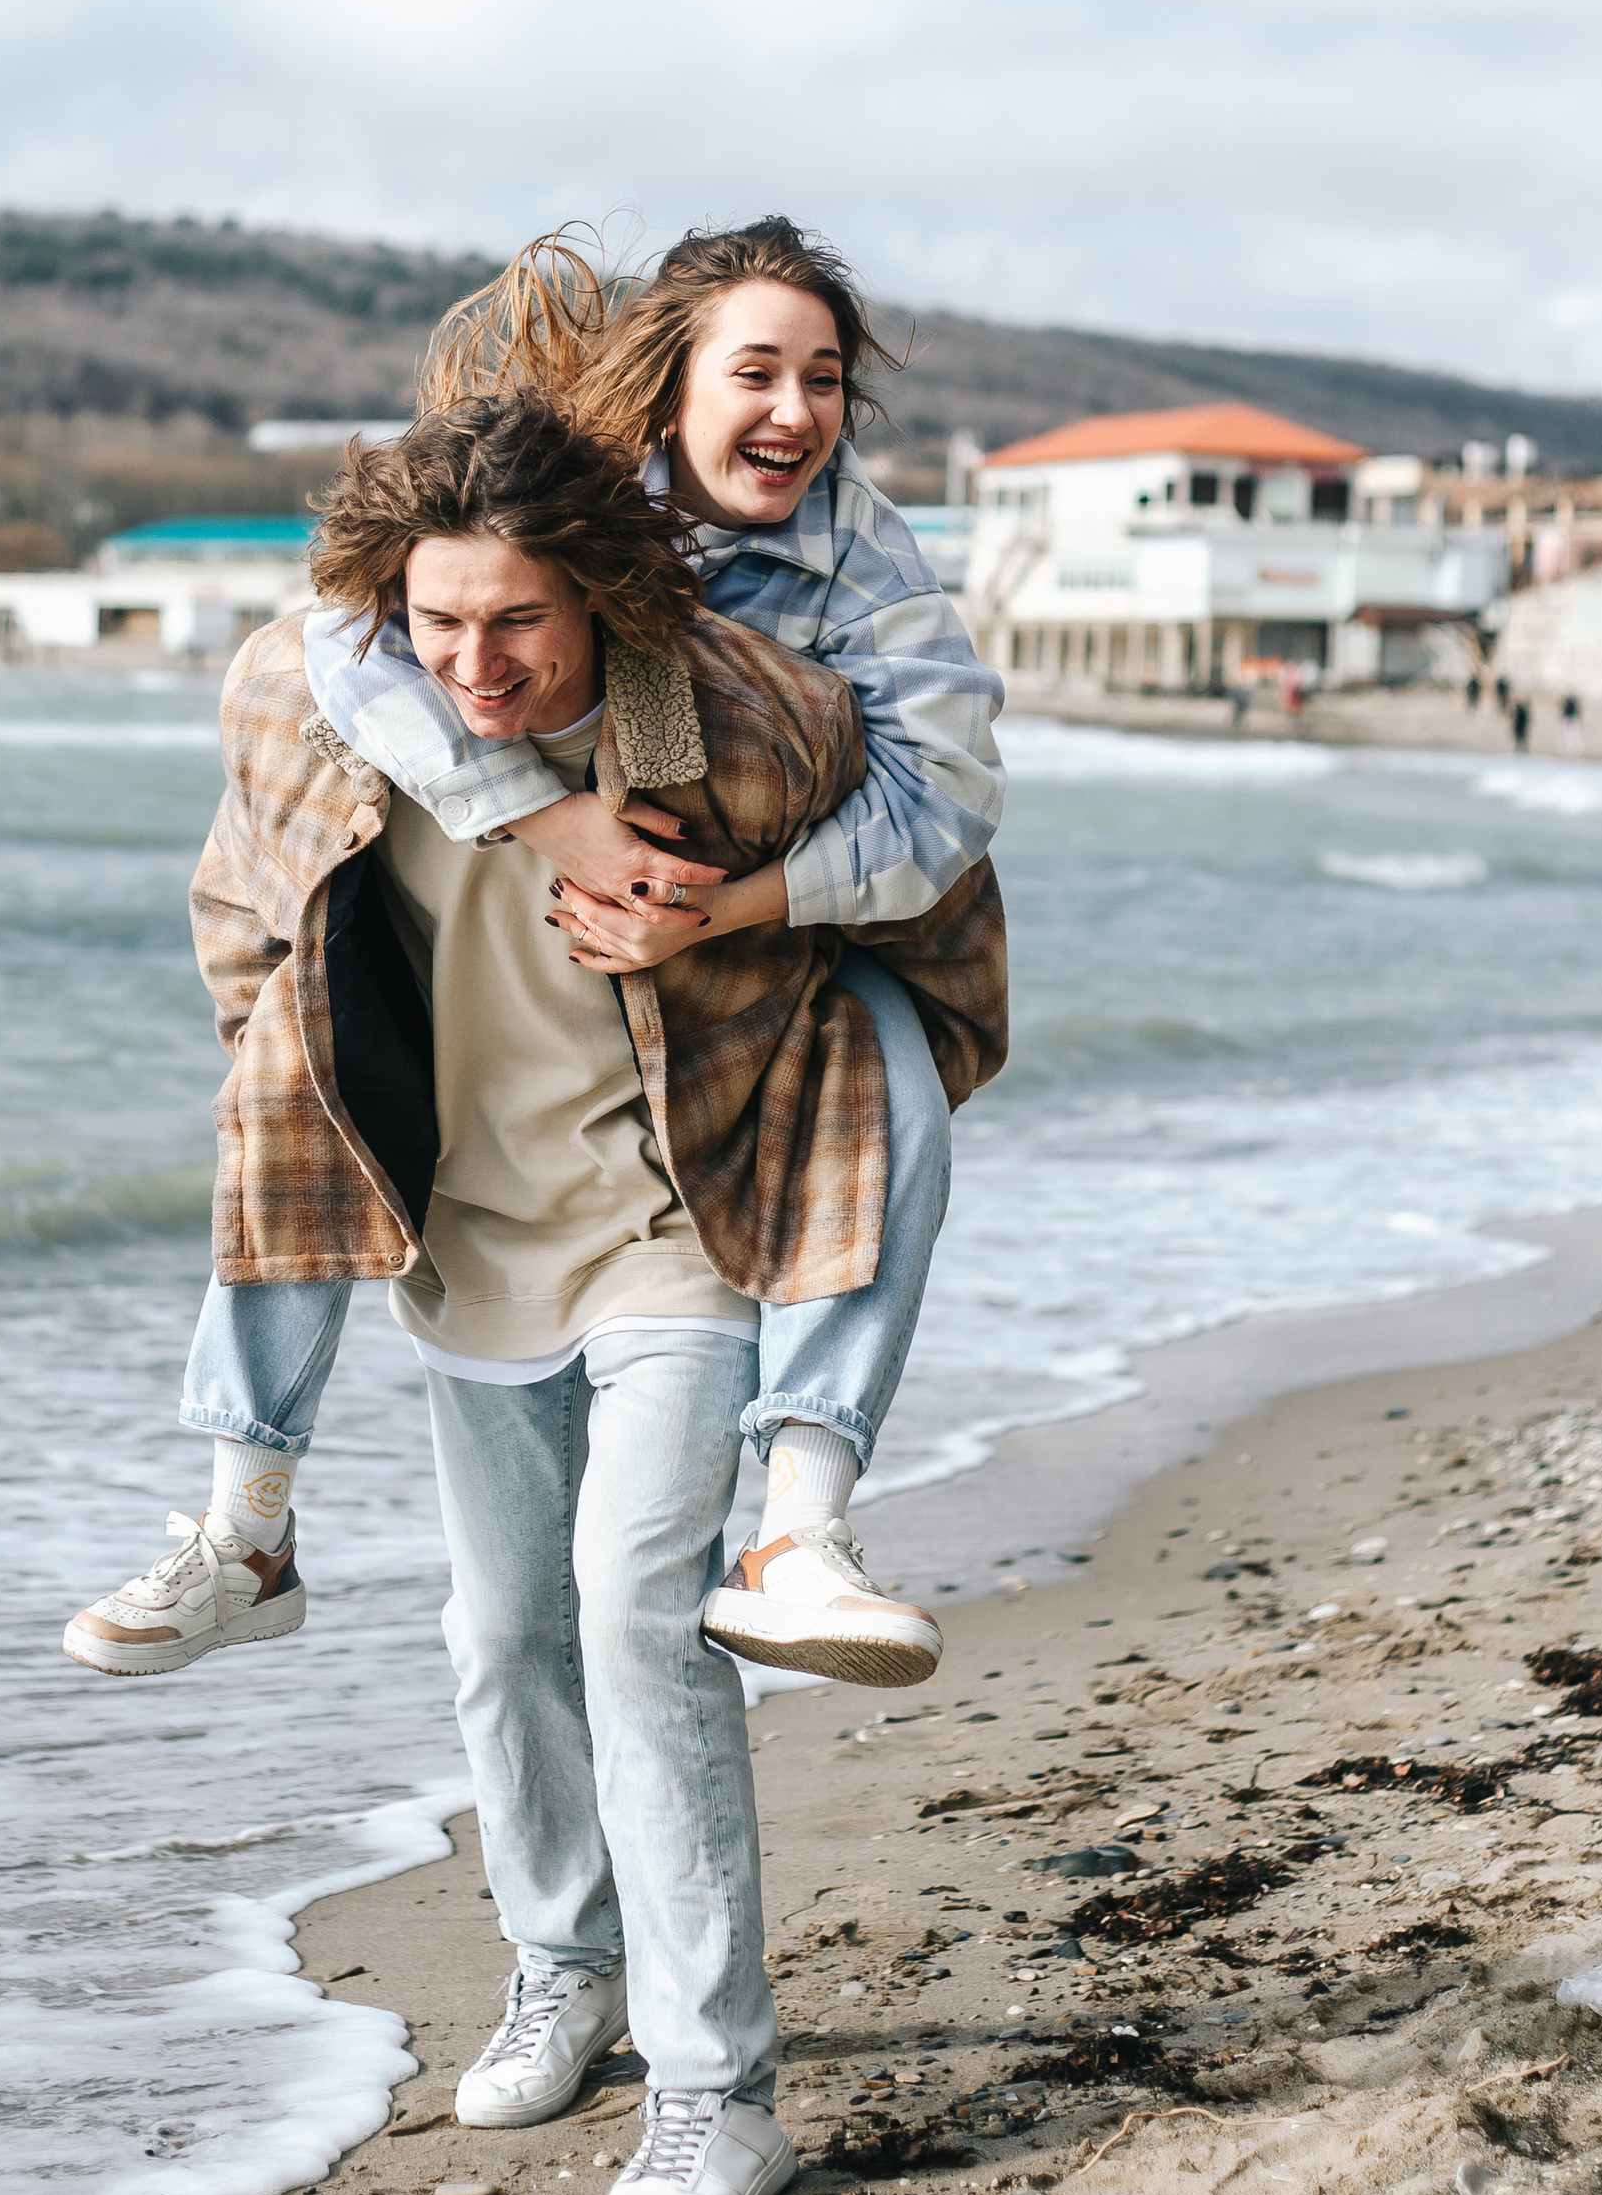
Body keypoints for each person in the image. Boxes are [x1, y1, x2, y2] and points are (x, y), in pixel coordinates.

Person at [120, 390, 1007, 2195]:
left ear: (599, 596)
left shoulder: (739, 727)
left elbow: (931, 877)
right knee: (506, 1632)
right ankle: (563, 1967)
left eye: (517, 620)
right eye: (441, 624)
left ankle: (717, 2098)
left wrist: (792, 995)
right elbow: (242, 900)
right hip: (470, 1245)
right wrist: (288, 1066)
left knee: (632, 1612)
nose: (479, 661)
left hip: (675, 1230)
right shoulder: (349, 726)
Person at [66, 216, 1004, 1692]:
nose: (798, 412)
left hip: (749, 944)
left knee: (891, 1071)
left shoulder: (862, 563)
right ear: (669, 383)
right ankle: (246, 1519)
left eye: (825, 378)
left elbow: (948, 796)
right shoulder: (545, 486)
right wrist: (551, 817)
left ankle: (805, 1525)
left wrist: (724, 908)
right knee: (291, 1065)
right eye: (756, 370)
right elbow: (343, 634)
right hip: (528, 953)